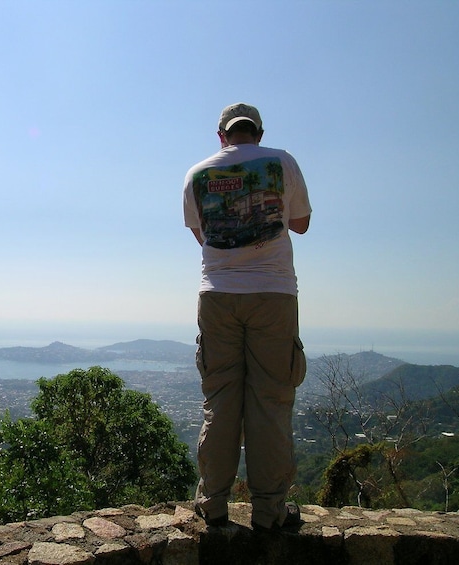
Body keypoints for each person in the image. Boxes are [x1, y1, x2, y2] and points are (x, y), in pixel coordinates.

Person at [182, 102, 312, 532]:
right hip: (274, 294)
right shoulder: (282, 161)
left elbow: (204, 237)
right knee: (271, 400)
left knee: (220, 400)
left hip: (217, 295)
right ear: (258, 132)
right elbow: (301, 224)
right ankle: (269, 512)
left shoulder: (197, 175)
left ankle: (213, 504)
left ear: (221, 135)